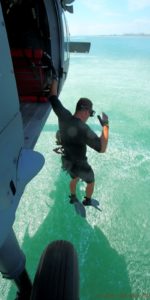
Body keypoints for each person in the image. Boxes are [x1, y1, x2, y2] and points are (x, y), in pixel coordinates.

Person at [48, 75, 109, 206]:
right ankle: (87, 200)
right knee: (91, 182)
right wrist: (105, 125)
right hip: (81, 164)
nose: (90, 116)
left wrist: (54, 78)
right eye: (91, 113)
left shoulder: (64, 115)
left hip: (67, 161)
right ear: (86, 111)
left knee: (74, 178)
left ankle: (73, 197)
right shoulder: (83, 129)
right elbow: (102, 148)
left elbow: (52, 97)